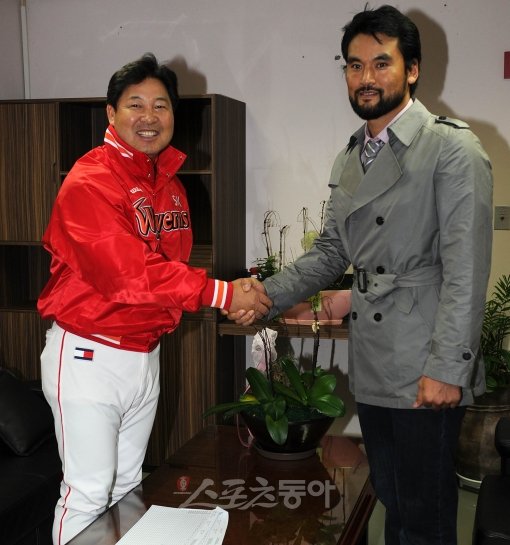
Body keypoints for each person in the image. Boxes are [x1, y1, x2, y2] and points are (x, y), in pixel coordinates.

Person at [229, 5, 493, 544]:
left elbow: (466, 270)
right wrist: (266, 295)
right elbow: (332, 252)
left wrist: (448, 367)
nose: (365, 77)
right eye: (354, 65)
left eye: (381, 63)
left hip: (426, 360)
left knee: (423, 516)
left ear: (412, 69)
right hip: (375, 359)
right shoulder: (352, 156)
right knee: (391, 499)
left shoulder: (451, 148)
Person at [37, 52, 271, 545]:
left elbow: (170, 270)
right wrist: (224, 293)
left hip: (144, 354)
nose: (149, 116)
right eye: (135, 104)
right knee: (87, 493)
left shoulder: (169, 185)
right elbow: (127, 273)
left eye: (161, 105)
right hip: (89, 353)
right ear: (111, 113)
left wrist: (229, 294)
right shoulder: (89, 181)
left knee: (127, 486)